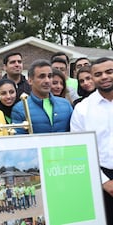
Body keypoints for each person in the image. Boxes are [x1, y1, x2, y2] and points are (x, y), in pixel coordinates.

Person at [70, 57, 113, 225]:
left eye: (109, 72)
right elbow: (78, 149)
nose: (104, 77)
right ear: (93, 78)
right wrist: (104, 182)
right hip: (99, 178)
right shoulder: (82, 109)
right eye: (98, 74)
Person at [11, 59, 73, 134]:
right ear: (30, 80)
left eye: (49, 76)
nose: (47, 80)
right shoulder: (20, 109)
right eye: (42, 76)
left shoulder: (65, 105)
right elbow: (19, 141)